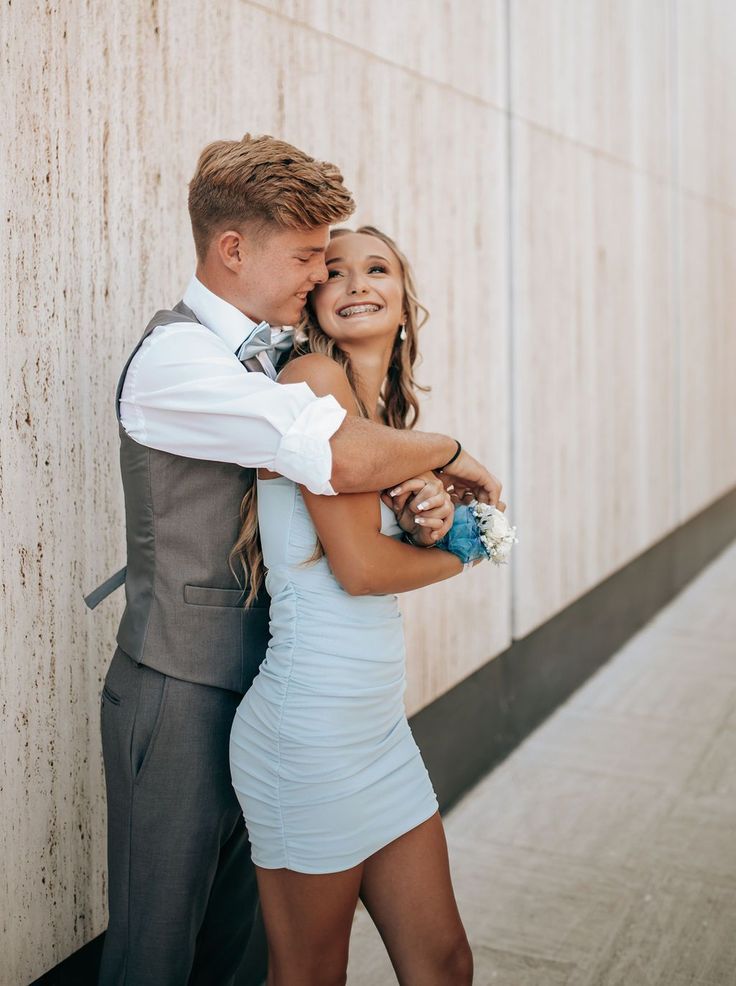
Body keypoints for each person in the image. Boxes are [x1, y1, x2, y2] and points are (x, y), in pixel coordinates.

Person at [95, 134, 503, 986]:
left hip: (279, 683)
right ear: (233, 248)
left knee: (242, 956)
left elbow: (350, 462)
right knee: (157, 955)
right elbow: (337, 460)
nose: (324, 276)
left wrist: (421, 495)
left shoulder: (285, 354)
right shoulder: (180, 358)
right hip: (180, 681)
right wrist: (449, 460)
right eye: (311, 257)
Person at [230, 225, 492, 985]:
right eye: (333, 271)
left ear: (405, 302)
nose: (355, 283)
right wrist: (470, 547)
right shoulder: (311, 379)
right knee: (313, 974)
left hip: (376, 731)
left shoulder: (384, 427)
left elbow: (384, 541)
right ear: (312, 300)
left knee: (443, 962)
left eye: (376, 269)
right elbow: (360, 570)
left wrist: (426, 520)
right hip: (307, 734)